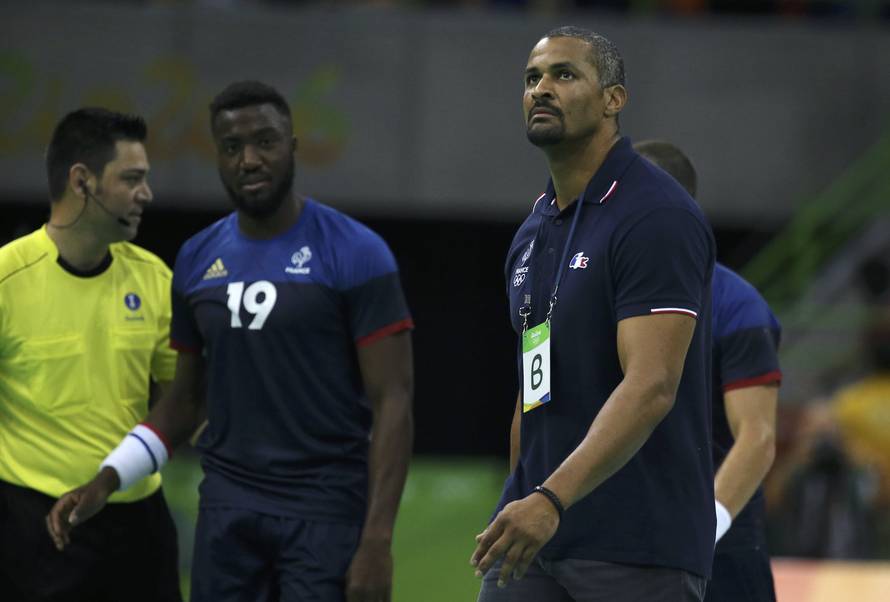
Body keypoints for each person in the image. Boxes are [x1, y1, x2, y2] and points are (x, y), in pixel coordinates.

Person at [47, 81, 415, 602]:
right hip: (227, 511)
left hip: (325, 512)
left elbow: (393, 400)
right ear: (218, 157)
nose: (249, 159)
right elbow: (184, 400)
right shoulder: (196, 260)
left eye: (265, 142)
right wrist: (107, 480)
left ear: (292, 147)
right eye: (231, 147)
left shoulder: (357, 253)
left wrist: (377, 541)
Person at [471, 27, 716, 601]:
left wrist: (548, 498)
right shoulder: (534, 230)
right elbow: (532, 388)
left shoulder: (656, 214)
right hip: (536, 536)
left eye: (564, 75)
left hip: (637, 547)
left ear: (613, 99)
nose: (541, 89)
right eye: (532, 78)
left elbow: (652, 385)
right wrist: (520, 494)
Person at [0, 108, 181, 601]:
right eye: (132, 179)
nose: (147, 193)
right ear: (82, 181)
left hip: (142, 529)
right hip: (36, 531)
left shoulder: (155, 278)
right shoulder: (8, 278)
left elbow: (182, 401)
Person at [635, 139, 782, 601]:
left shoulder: (737, 308)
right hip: (626, 542)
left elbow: (757, 438)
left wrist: (705, 528)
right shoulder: (607, 297)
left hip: (721, 547)